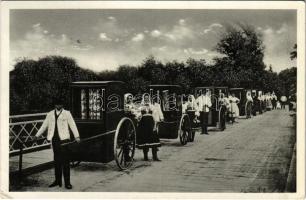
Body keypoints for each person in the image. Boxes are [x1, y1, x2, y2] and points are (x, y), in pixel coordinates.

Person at [34, 98, 80, 189]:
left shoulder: (67, 113)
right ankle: (57, 181)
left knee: (66, 162)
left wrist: (77, 136)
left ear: (62, 105)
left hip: (64, 140)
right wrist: (37, 135)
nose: (58, 106)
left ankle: (67, 183)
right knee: (57, 162)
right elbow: (44, 125)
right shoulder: (50, 114)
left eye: (60, 104)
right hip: (55, 141)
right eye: (57, 104)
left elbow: (72, 125)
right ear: (54, 105)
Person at [136, 93, 162, 161]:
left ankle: (155, 157)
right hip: (143, 125)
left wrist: (155, 126)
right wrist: (139, 115)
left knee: (154, 139)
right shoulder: (141, 107)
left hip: (151, 124)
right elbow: (138, 116)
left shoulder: (152, 107)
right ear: (143, 99)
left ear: (149, 99)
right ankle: (145, 157)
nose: (146, 99)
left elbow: (155, 116)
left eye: (147, 98)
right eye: (145, 98)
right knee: (145, 140)